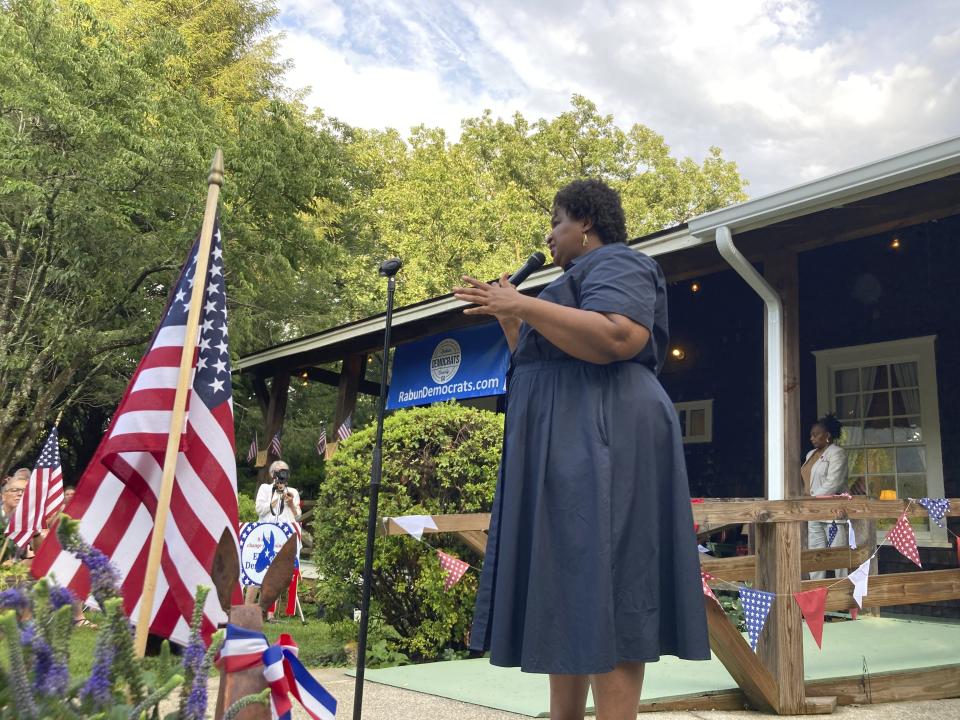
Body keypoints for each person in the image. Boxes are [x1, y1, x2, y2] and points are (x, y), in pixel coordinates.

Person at [454, 179, 709, 720]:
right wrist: (510, 316)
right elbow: (542, 359)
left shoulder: (620, 263)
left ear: (586, 222)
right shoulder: (567, 284)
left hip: (606, 433)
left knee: (608, 579)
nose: (549, 236)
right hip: (567, 436)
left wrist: (522, 302)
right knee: (566, 581)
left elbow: (619, 338)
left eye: (556, 221)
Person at [802, 414, 849, 580]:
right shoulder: (810, 455)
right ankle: (817, 594)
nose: (812, 438)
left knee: (837, 555)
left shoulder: (837, 453)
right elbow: (808, 482)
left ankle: (842, 594)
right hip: (814, 512)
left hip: (832, 512)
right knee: (816, 554)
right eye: (811, 435)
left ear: (828, 435)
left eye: (816, 434)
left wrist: (811, 499)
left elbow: (833, 483)